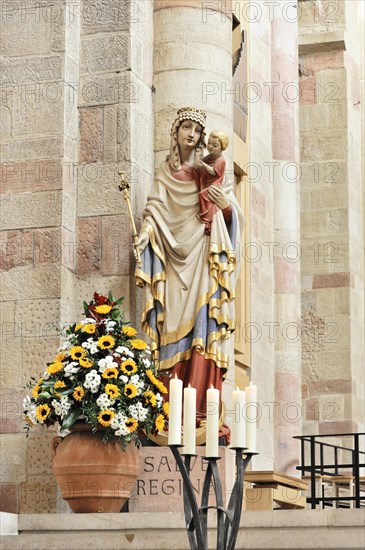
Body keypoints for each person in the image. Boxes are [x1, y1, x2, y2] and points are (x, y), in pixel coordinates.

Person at [134, 107, 244, 424]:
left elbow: (231, 210)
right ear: (176, 132)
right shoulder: (164, 173)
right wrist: (145, 235)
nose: (192, 134)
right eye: (186, 127)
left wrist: (226, 210)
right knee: (169, 325)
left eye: (197, 129)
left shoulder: (210, 169)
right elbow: (153, 210)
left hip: (203, 248)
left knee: (204, 322)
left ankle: (199, 412)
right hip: (171, 256)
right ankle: (166, 409)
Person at [195, 130, 229, 235]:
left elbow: (213, 171)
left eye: (215, 145)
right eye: (209, 143)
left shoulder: (221, 161)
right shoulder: (208, 157)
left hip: (214, 185)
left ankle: (206, 218)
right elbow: (199, 165)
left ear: (221, 148)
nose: (210, 147)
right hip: (206, 182)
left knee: (203, 194)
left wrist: (204, 166)